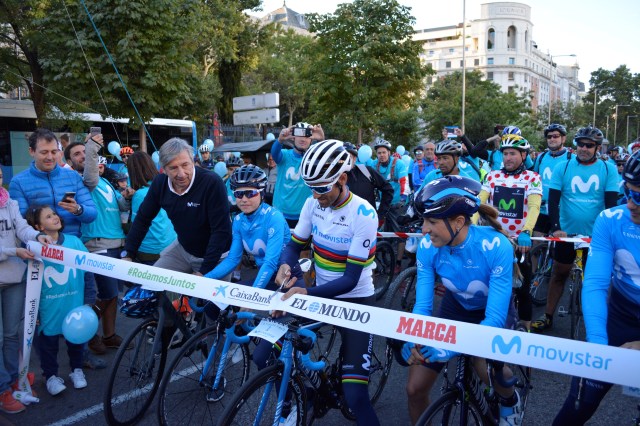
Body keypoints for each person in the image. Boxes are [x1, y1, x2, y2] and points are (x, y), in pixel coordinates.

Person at [274, 140, 380, 426]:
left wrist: (305, 291)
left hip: (355, 300)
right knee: (266, 351)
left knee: (356, 396)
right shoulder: (312, 203)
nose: (315, 195)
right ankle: (305, 396)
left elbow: (350, 279)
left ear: (342, 179)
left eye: (322, 188)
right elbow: (295, 246)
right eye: (311, 188)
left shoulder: (364, 214)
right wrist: (287, 265)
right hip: (320, 294)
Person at [400, 175, 519, 426]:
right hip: (455, 309)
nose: (424, 229)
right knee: (414, 389)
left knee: (481, 362)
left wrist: (452, 346)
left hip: (492, 312)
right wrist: (413, 335)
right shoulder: (428, 247)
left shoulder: (496, 245)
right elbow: (423, 306)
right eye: (423, 221)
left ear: (459, 221)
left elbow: (495, 319)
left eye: (431, 221)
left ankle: (510, 400)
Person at [551, 149, 640, 425]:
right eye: (628, 191)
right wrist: (598, 346)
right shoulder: (611, 220)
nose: (631, 204)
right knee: (577, 406)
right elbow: (596, 285)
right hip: (620, 316)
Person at [531, 126, 619, 333]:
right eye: (580, 144)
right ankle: (548, 315)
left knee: (595, 282)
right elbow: (553, 202)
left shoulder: (608, 169)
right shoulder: (563, 166)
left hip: (595, 235)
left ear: (597, 148)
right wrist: (556, 228)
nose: (584, 148)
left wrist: (608, 235)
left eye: (589, 145)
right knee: (559, 273)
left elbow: (611, 207)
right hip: (567, 234)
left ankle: (597, 323)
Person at [122, 138, 231, 278]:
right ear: (164, 169)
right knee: (151, 283)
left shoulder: (212, 183)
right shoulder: (160, 183)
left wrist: (203, 271)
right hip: (183, 249)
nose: (181, 174)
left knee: (204, 299)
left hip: (217, 256)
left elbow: (221, 231)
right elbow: (143, 219)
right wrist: (128, 253)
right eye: (173, 168)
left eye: (185, 165)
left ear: (193, 161)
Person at [67, 139, 133, 354]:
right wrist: (92, 147)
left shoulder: (105, 183)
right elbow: (90, 172)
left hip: (115, 242)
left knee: (112, 294)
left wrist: (127, 197)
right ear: (69, 161)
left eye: (84, 152)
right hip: (98, 243)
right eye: (77, 153)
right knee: (107, 292)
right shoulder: (85, 181)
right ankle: (85, 332)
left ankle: (109, 335)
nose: (83, 156)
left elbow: (118, 206)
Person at [0, 169, 51, 413]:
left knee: (11, 335)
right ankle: (2, 390)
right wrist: (14, 251)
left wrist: (38, 235)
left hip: (13, 278)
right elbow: (9, 246)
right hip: (11, 264)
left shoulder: (9, 202)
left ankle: (12, 380)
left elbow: (21, 229)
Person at [479, 135, 542, 331]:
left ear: (523, 155)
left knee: (522, 290)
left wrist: (526, 231)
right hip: (495, 239)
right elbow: (479, 202)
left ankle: (525, 330)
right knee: (488, 287)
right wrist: (470, 225)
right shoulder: (492, 176)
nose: (508, 158)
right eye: (505, 153)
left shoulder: (532, 177)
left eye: (513, 153)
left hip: (519, 242)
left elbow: (534, 207)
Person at [25, 205, 90, 396]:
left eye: (54, 213)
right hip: (49, 307)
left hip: (74, 304)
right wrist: (34, 310)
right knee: (48, 344)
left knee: (75, 340)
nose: (55, 217)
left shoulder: (75, 242)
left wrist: (89, 298)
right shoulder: (35, 249)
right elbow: (32, 281)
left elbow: (88, 273)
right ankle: (51, 377)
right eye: (48, 216)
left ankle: (76, 370)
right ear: (39, 227)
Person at [9, 128, 97, 238]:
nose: (50, 157)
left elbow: (92, 215)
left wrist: (77, 209)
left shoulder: (73, 176)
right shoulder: (18, 182)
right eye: (44, 152)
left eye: (54, 152)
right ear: (31, 151)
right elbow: (21, 223)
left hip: (73, 245)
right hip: (40, 247)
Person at [270, 122, 324, 229]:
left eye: (306, 136)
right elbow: (274, 153)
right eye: (299, 135)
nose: (303, 139)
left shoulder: (313, 158)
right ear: (294, 137)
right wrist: (280, 140)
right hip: (280, 213)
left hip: (304, 214)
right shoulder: (285, 155)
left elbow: (325, 156)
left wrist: (321, 140)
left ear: (311, 140)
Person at [126, 152, 177, 265]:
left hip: (149, 250)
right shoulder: (165, 186)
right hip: (171, 244)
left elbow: (136, 225)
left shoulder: (140, 194)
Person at [372, 138, 409, 273]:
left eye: (384, 152)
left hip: (398, 203)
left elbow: (404, 181)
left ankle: (398, 263)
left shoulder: (398, 164)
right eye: (379, 153)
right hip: (383, 204)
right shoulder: (374, 164)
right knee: (378, 232)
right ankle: (379, 260)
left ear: (389, 153)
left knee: (399, 232)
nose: (381, 155)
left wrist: (403, 198)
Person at [532, 123, 572, 234]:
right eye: (549, 137)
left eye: (555, 136)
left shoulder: (571, 158)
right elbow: (534, 180)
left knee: (561, 245)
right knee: (537, 242)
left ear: (563, 138)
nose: (552, 139)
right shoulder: (541, 157)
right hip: (542, 209)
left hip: (562, 211)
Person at [343, 142, 393, 227]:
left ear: (355, 158)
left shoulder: (366, 171)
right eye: (343, 157)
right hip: (342, 223)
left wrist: (380, 214)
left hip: (366, 223)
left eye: (350, 157)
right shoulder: (333, 176)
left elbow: (388, 189)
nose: (346, 160)